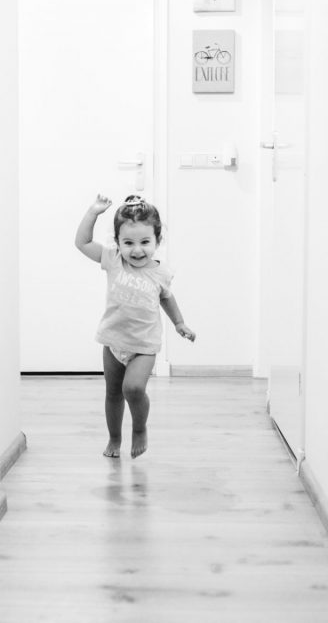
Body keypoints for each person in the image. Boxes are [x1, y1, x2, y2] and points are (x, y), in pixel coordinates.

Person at [75, 194, 196, 459]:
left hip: (143, 346)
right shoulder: (114, 260)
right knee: (113, 394)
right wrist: (93, 212)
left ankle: (139, 428)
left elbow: (167, 298)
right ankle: (114, 438)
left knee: (132, 389)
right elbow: (82, 243)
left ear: (157, 241)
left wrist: (179, 323)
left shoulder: (160, 273)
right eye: (128, 243)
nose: (137, 250)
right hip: (113, 341)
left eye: (145, 242)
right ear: (117, 243)